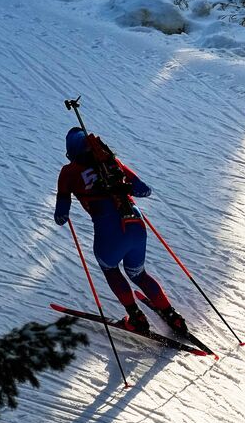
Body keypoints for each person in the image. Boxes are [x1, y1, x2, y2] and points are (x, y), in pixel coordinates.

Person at [54, 127, 188, 336]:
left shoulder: (68, 172)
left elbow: (61, 216)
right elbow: (144, 190)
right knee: (138, 273)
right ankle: (173, 317)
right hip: (135, 224)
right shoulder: (110, 162)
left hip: (110, 232)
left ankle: (136, 318)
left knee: (110, 267)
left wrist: (68, 207)